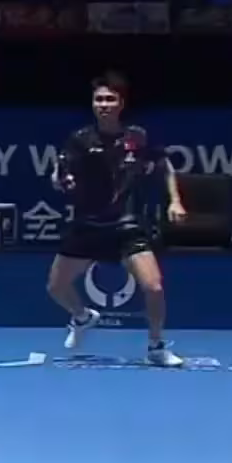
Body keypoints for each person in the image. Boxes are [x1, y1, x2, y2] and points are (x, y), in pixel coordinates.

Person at [46, 72, 186, 367]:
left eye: (110, 99)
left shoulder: (137, 137)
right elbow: (61, 172)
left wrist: (175, 200)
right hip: (88, 225)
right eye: (99, 99)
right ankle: (82, 317)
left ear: (121, 104)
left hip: (127, 224)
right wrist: (60, 180)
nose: (104, 105)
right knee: (56, 288)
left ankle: (156, 346)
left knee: (154, 287)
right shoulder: (80, 140)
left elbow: (164, 166)